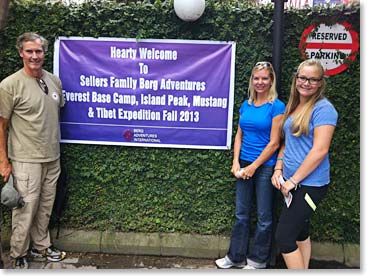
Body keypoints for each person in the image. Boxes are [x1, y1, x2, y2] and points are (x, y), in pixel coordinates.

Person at [0, 32, 66, 269]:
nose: (34, 56)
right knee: (25, 209)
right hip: (25, 159)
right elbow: (2, 125)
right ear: (21, 53)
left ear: (44, 53)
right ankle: (18, 253)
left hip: (52, 157)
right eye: (29, 51)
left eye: (38, 51)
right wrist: (4, 162)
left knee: (45, 206)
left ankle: (42, 246)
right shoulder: (9, 85)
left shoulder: (53, 81)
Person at [215, 61, 285, 269]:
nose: (260, 82)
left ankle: (258, 260)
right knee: (241, 214)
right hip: (244, 164)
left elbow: (275, 143)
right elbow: (239, 135)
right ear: (252, 80)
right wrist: (236, 162)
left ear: (271, 81)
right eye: (256, 78)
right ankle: (235, 257)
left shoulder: (277, 106)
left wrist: (254, 166)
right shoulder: (246, 104)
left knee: (264, 216)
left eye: (264, 78)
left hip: (264, 166)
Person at [271, 59, 338, 269]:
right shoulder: (294, 105)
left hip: (309, 185)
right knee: (300, 232)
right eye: (302, 78)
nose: (306, 83)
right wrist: (278, 168)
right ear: (296, 79)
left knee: (284, 237)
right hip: (290, 183)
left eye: (312, 79)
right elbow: (287, 143)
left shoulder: (324, 109)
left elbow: (320, 151)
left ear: (320, 83)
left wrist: (292, 181)